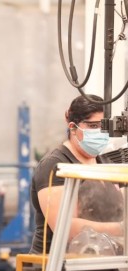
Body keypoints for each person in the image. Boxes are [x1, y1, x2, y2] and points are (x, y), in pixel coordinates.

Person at [30, 94, 124, 255]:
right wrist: (121, 228)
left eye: (104, 126)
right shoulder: (55, 165)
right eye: (93, 126)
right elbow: (66, 228)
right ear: (73, 128)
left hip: (99, 259)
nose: (100, 132)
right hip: (54, 264)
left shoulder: (106, 161)